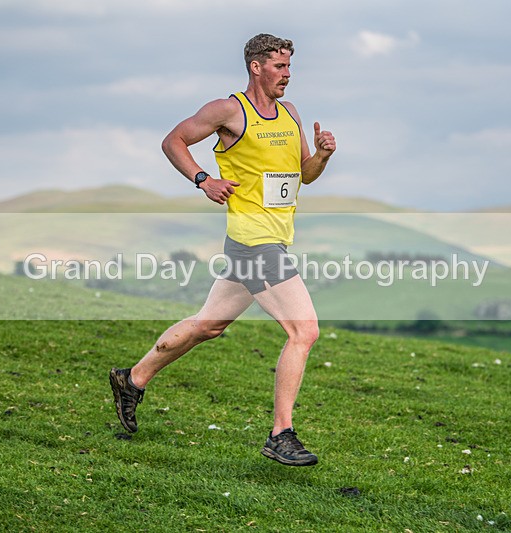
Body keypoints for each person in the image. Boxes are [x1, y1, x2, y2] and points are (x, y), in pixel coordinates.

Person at [109, 33, 336, 467]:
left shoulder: (290, 113)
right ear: (256, 67)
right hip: (254, 241)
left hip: (271, 237)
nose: (288, 74)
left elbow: (304, 174)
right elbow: (173, 141)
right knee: (304, 331)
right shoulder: (229, 111)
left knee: (208, 325)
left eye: (290, 66)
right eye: (280, 66)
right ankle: (281, 434)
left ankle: (132, 379)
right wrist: (203, 179)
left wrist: (323, 156)